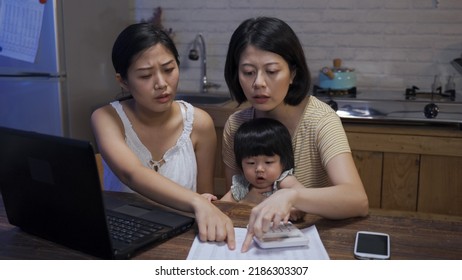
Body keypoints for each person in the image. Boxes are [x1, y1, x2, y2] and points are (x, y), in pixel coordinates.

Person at [222, 17, 369, 252]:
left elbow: (357, 200)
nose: (258, 83)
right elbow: (235, 195)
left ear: (292, 74)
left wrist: (291, 197)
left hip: (311, 242)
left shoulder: (321, 120)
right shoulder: (236, 124)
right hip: (254, 241)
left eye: (271, 71)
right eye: (248, 72)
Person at [91, 23, 235, 249]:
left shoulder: (199, 123)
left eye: (169, 69)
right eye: (146, 75)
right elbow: (132, 173)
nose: (161, 84)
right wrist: (197, 201)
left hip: (181, 239)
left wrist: (205, 201)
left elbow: (204, 194)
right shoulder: (107, 118)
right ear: (123, 81)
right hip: (123, 237)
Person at [220, 117, 296, 203]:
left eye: (268, 162)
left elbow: (302, 200)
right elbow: (221, 209)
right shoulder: (241, 186)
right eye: (251, 163)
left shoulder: (285, 181)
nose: (259, 169)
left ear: (283, 162)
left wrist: (294, 209)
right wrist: (208, 203)